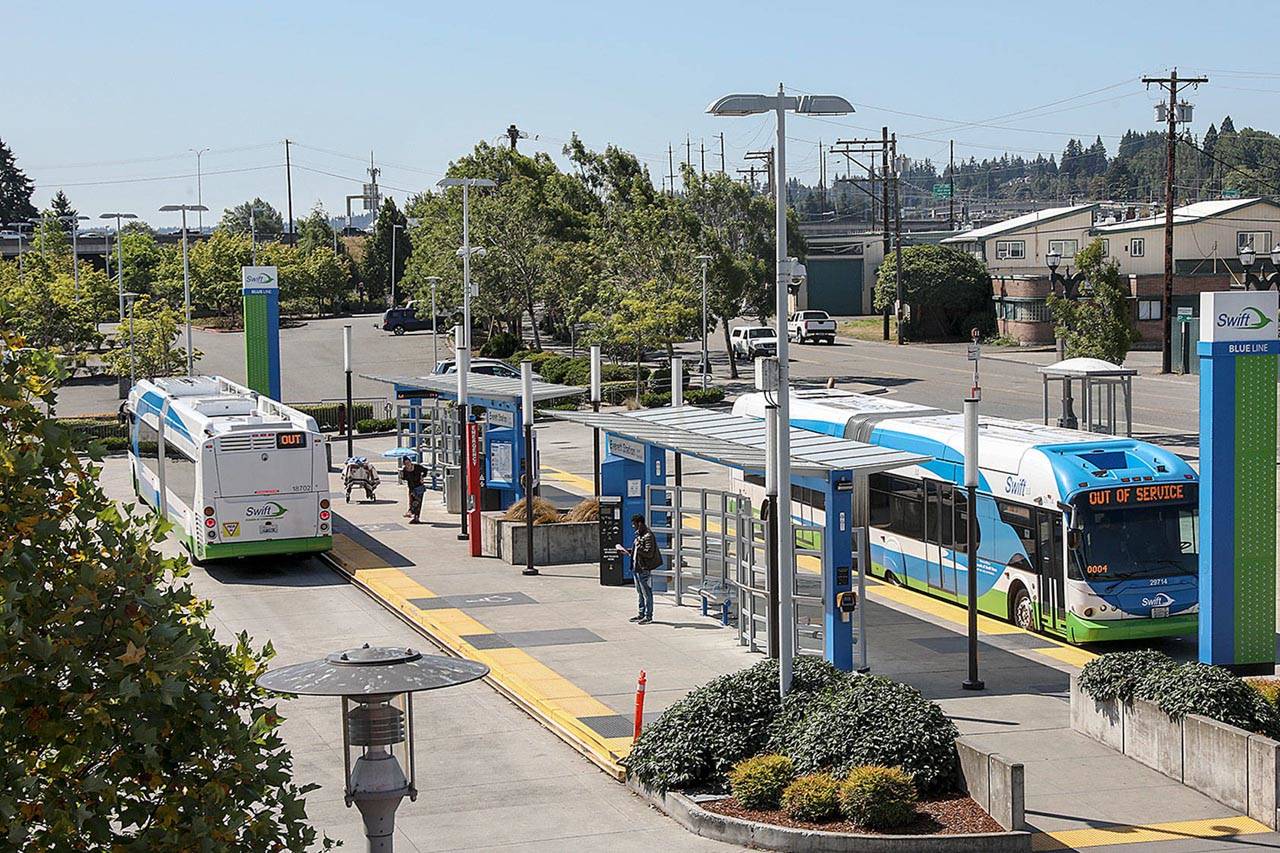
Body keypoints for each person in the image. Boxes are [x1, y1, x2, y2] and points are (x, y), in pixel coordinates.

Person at [617, 514, 660, 624]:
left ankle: (648, 616)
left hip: (643, 569)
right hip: (637, 568)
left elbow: (649, 553)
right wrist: (627, 551)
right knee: (640, 592)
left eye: (634, 524)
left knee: (647, 593)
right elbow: (638, 551)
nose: (633, 526)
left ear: (639, 523)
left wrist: (638, 545)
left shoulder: (648, 536)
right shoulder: (640, 535)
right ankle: (641, 614)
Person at [400, 455, 428, 524]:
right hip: (411, 488)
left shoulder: (417, 467)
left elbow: (425, 470)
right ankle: (414, 516)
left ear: (410, 462)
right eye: (406, 463)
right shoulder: (405, 470)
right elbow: (404, 478)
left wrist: (422, 477)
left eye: (408, 462)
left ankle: (414, 515)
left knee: (417, 502)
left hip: (419, 487)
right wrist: (402, 475)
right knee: (411, 501)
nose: (407, 465)